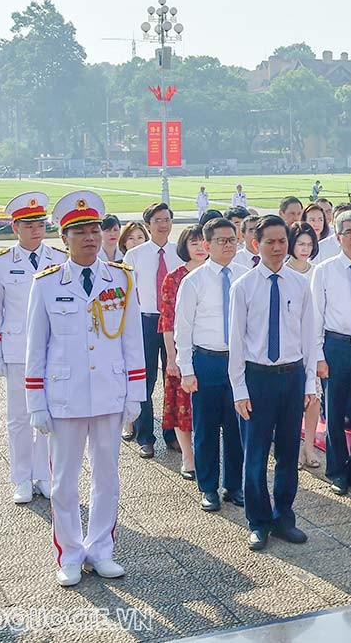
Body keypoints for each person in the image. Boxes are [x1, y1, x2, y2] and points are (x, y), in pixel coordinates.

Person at [25, 191, 145, 586]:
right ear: (64, 238)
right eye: (80, 232)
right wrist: (36, 402)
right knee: (63, 480)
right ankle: (71, 553)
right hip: (65, 395)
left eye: (95, 230)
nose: (90, 237)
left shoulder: (122, 279)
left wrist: (135, 394)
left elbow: (132, 341)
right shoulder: (45, 284)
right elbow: (36, 347)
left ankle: (101, 550)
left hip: (109, 392)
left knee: (107, 477)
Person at [228, 215, 319, 550]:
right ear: (256, 244)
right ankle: (258, 520)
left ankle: (284, 516)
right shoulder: (244, 286)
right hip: (258, 379)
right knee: (254, 455)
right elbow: (237, 342)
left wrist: (310, 384)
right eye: (271, 241)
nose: (278, 247)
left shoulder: (299, 284)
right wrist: (239, 388)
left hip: (292, 377)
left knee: (287, 453)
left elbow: (309, 337)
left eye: (283, 241)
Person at [0, 192, 63, 504]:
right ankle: (20, 477)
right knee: (19, 417)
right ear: (15, 227)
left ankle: (43, 475)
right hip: (17, 350)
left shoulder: (57, 259)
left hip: (52, 350)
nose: (36, 230)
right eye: (29, 224)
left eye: (40, 224)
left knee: (48, 414)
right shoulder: (0, 263)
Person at [175, 217, 247, 512]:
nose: (229, 245)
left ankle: (234, 485)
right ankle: (208, 488)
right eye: (222, 240)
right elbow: (183, 328)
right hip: (207, 362)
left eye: (233, 239)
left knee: (237, 428)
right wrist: (186, 370)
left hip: (238, 362)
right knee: (205, 429)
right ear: (206, 245)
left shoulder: (245, 275)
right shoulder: (194, 281)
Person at [310, 210, 351, 495]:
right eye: (348, 232)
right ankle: (337, 470)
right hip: (336, 345)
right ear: (337, 237)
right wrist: (318, 356)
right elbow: (315, 316)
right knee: (335, 412)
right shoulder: (323, 270)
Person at [121, 202, 183, 458]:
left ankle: (173, 434)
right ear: (147, 225)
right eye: (157, 220)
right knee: (146, 380)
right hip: (145, 321)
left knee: (174, 380)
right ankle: (145, 436)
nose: (163, 224)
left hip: (175, 322)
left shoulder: (179, 251)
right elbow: (126, 294)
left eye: (167, 219)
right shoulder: (134, 255)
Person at [158, 226, 205, 481]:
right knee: (181, 405)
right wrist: (171, 357)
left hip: (211, 351)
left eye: (202, 242)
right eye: (194, 243)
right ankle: (188, 456)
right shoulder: (174, 278)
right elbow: (167, 321)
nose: (199, 247)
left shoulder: (217, 273)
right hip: (181, 350)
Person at [285, 221, 321, 468]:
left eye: (309, 244)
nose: (305, 249)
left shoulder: (317, 272)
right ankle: (293, 448)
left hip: (313, 342)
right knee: (292, 401)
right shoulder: (283, 271)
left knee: (314, 396)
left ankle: (310, 447)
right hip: (289, 344)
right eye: (300, 244)